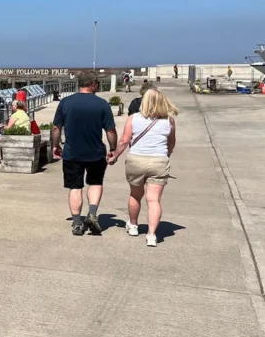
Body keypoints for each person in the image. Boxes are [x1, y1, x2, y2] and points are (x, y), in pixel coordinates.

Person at [51, 70, 118, 236]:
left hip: (72, 153)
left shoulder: (65, 103)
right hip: (95, 153)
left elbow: (56, 128)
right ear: (93, 84)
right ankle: (92, 213)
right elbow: (110, 130)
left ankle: (77, 224)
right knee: (95, 183)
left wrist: (55, 146)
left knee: (75, 187)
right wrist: (113, 149)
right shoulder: (102, 104)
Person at [108, 88, 177, 247]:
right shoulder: (169, 121)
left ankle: (133, 225)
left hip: (136, 160)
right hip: (159, 161)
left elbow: (125, 140)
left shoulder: (133, 118)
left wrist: (115, 155)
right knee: (153, 199)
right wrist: (166, 154)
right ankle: (151, 235)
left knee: (135, 195)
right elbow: (171, 143)